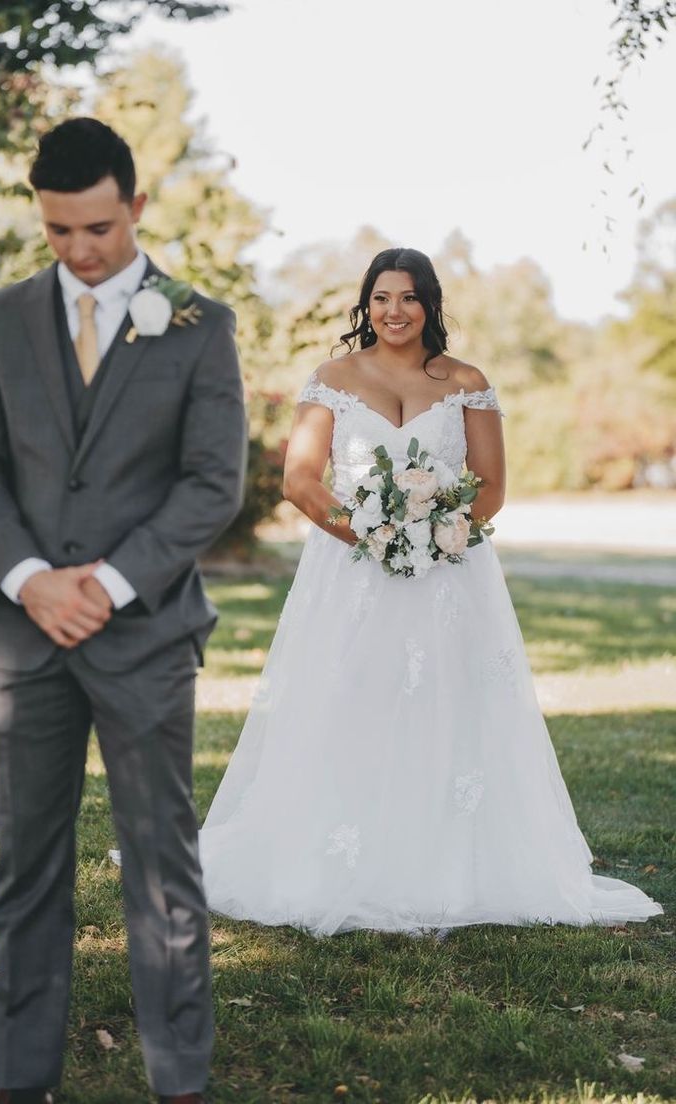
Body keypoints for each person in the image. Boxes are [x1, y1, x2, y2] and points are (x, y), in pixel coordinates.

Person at [199, 247, 662, 936]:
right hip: (351, 575)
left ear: (430, 305)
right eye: (382, 298)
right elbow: (300, 482)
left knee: (451, 704)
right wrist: (374, 537)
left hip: (450, 575)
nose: (394, 311)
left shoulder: (467, 382)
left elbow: (492, 487)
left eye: (409, 298)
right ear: (365, 304)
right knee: (352, 701)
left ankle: (445, 860)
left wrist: (435, 534)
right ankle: (337, 854)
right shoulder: (331, 380)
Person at [0, 117, 246, 1104]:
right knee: (25, 866)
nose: (80, 252)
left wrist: (110, 585)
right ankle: (18, 1079)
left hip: (146, 634)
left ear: (138, 208)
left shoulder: (200, 323)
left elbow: (211, 483)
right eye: (58, 232)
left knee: (163, 864)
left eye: (99, 230)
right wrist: (31, 577)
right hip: (21, 639)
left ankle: (180, 1082)